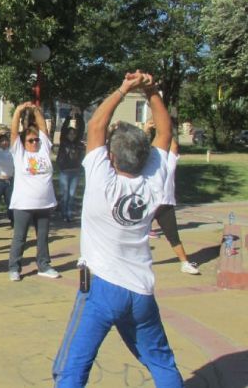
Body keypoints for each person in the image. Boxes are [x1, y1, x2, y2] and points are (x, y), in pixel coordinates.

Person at [53, 71, 183, 387]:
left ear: (110, 157)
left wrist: (124, 89)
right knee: (162, 362)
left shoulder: (103, 182)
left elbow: (96, 125)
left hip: (101, 288)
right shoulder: (153, 179)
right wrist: (151, 90)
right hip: (140, 291)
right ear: (146, 157)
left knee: (72, 369)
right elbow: (165, 131)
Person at [7, 102, 59, 281]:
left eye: (36, 139)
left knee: (43, 237)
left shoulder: (44, 150)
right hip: (24, 204)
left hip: (45, 204)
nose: (35, 142)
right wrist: (19, 111)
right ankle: (14, 268)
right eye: (30, 140)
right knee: (20, 237)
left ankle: (44, 265)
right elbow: (14, 133)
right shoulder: (19, 153)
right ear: (23, 143)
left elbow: (43, 128)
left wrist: (36, 110)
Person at [144, 121, 200, 275]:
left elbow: (173, 146)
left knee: (173, 236)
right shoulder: (147, 162)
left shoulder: (169, 162)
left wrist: (164, 129)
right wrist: (147, 130)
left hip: (165, 205)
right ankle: (118, 261)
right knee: (130, 233)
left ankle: (184, 263)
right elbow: (139, 148)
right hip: (148, 203)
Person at [56, 110, 86, 222]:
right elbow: (63, 129)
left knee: (72, 195)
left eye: (74, 134)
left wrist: (78, 116)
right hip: (65, 172)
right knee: (65, 195)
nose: (72, 135)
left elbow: (82, 128)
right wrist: (68, 118)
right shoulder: (64, 141)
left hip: (75, 172)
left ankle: (68, 214)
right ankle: (64, 214)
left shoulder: (77, 143)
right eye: (70, 133)